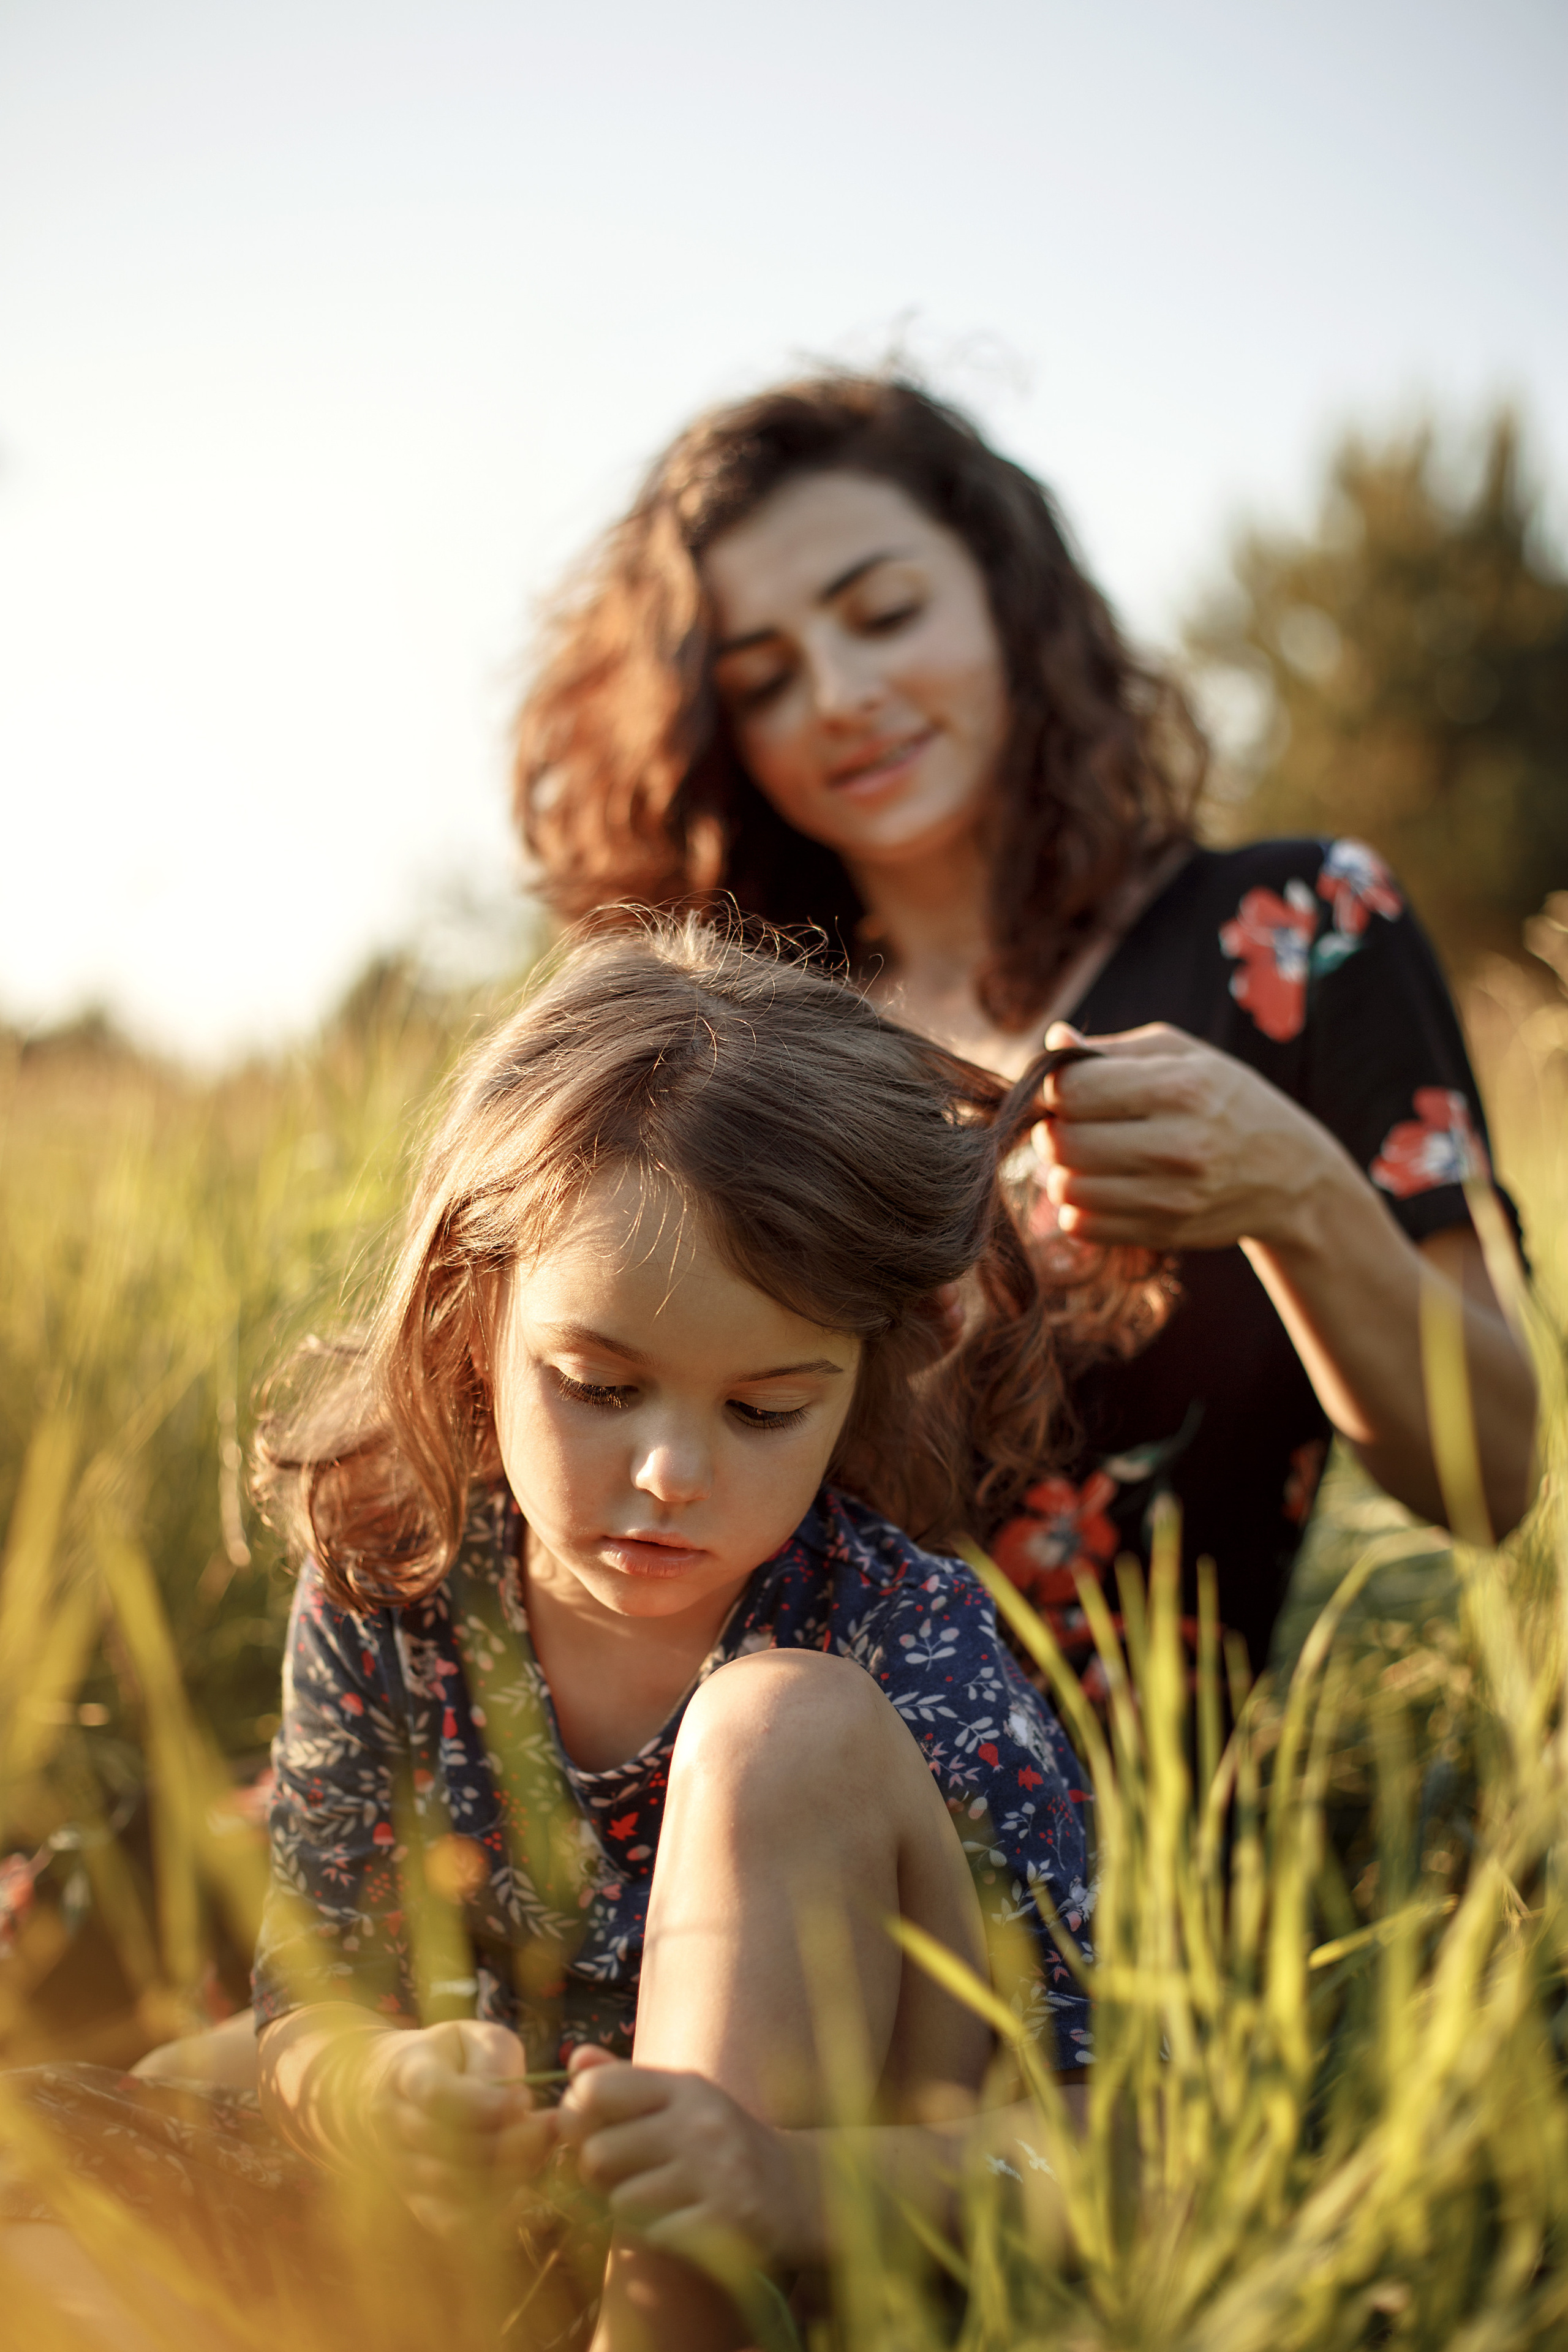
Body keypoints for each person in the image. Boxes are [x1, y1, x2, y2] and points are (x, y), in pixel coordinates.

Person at [512, 372, 1537, 1679]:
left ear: (1006, 595)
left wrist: (1293, 1190)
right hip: (699, 1788)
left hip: (1112, 1833)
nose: (836, 694)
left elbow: (1493, 1481)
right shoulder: (723, 1031)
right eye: (762, 680)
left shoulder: (1298, 932)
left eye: (883, 614)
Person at [243, 918, 1112, 2350]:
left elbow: (1109, 2156)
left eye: (766, 1409)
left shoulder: (902, 1641)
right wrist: (374, 2094)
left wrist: (787, 2184)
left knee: (780, 1725)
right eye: (596, 1384)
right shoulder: (391, 1586)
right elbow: (307, 2004)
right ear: (474, 1323)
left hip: (861, 2242)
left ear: (854, 1379)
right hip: (496, 2251)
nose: (671, 1476)